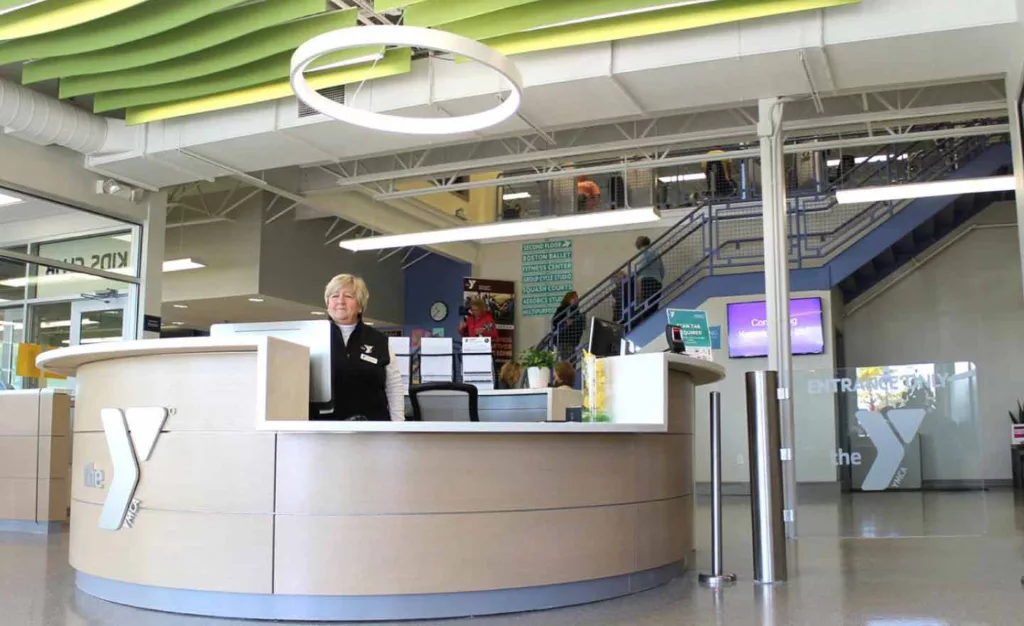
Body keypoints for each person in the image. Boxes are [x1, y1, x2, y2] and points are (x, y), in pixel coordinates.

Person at [322, 273, 404, 421]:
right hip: (324, 430)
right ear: (328, 303)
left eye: (348, 296)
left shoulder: (379, 341)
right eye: (334, 296)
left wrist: (398, 426)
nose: (340, 301)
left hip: (372, 429)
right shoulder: (314, 337)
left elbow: (394, 387)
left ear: (360, 306)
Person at [634, 236, 664, 325]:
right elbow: (662, 270)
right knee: (653, 306)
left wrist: (635, 273)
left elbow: (641, 266)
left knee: (645, 307)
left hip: (647, 282)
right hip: (657, 281)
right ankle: (652, 325)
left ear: (639, 244)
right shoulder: (656, 253)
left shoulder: (644, 253)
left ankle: (646, 325)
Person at [552, 291, 584, 361]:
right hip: (564, 340)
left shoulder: (575, 310)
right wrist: (565, 322)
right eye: (574, 297)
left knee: (572, 362)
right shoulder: (563, 309)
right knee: (567, 362)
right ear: (568, 299)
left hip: (572, 341)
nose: (576, 299)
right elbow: (554, 321)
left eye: (576, 297)